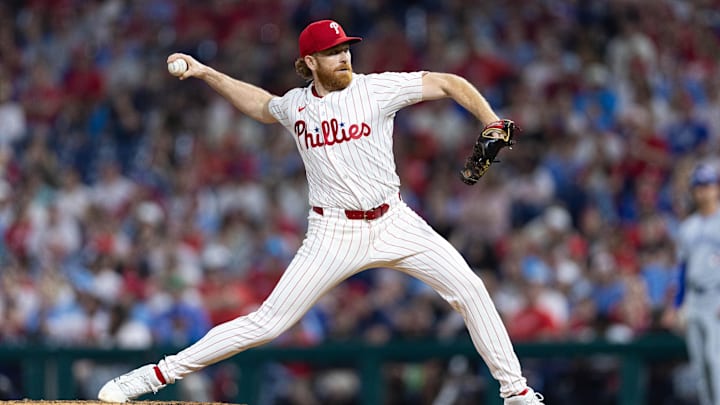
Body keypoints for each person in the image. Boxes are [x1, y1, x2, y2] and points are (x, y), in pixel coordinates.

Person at [97, 19, 544, 405]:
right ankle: (154, 376)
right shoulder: (296, 105)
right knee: (267, 323)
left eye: (346, 49)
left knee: (470, 288)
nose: (344, 57)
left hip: (395, 220)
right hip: (333, 232)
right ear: (310, 62)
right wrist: (206, 72)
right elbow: (260, 104)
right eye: (332, 53)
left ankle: (517, 393)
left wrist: (489, 119)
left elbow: (450, 83)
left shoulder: (376, 88)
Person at [665, 162, 720, 405]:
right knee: (700, 365)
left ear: (716, 188)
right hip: (695, 299)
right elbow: (682, 270)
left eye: (708, 185)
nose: (703, 190)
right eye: (699, 185)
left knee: (715, 360)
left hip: (716, 296)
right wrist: (677, 306)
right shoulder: (688, 228)